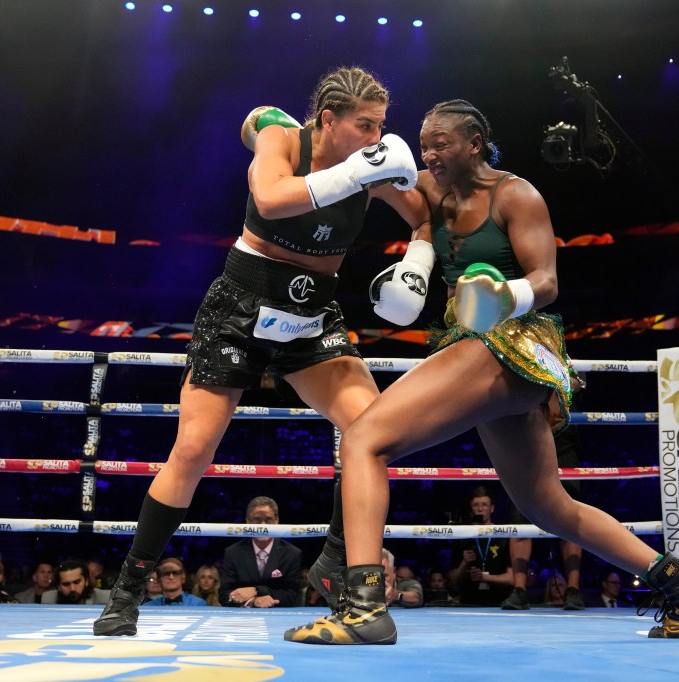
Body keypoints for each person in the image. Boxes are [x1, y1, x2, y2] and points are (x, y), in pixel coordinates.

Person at [286, 99, 679, 645]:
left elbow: (547, 280)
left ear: (474, 143)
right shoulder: (426, 186)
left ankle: (365, 608)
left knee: (363, 441)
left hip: (508, 341)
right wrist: (293, 134)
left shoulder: (517, 195)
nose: (430, 153)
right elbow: (359, 177)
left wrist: (504, 294)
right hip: (483, 355)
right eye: (425, 144)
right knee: (546, 505)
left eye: (441, 143)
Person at [93, 65, 430, 637]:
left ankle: (334, 560)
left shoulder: (376, 167)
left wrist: (416, 266)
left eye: (382, 127)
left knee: (375, 429)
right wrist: (355, 172)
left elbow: (426, 217)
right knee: (194, 449)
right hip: (242, 307)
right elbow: (271, 200)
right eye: (365, 125)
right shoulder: (285, 138)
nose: (377, 139)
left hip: (313, 316)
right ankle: (126, 593)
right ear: (329, 119)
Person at [502, 376, 587, 611]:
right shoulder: (516, 345)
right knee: (520, 512)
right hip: (525, 435)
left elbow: (579, 382)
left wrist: (546, 378)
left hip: (563, 438)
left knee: (569, 514)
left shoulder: (559, 351)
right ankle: (519, 590)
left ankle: (573, 590)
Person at [220, 496, 304, 608]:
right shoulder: (233, 553)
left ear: (276, 521)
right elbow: (224, 595)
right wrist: (253, 601)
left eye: (268, 520)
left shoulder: (292, 554)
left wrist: (257, 590)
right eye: (257, 520)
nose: (263, 526)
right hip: (243, 617)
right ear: (248, 522)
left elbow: (292, 595)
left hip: (280, 618)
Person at [447, 486, 513, 606]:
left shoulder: (504, 535)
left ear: (491, 508)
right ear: (471, 508)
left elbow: (512, 578)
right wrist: (464, 563)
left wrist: (485, 578)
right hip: (468, 603)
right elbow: (452, 583)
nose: (480, 509)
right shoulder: (462, 536)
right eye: (476, 505)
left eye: (484, 505)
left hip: (500, 603)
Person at [141, 557, 207, 606]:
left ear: (183, 577)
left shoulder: (198, 604)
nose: (171, 577)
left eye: (176, 573)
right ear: (159, 580)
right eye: (166, 573)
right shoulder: (148, 606)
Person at [42, 559, 110, 605]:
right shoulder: (49, 599)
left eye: (77, 582)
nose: (72, 589)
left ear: (86, 581)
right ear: (58, 586)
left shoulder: (104, 598)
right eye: (66, 584)